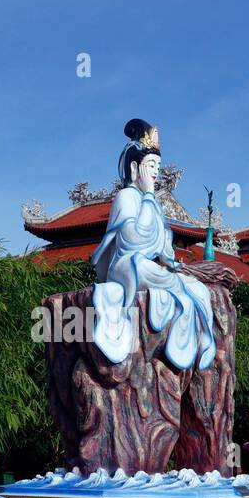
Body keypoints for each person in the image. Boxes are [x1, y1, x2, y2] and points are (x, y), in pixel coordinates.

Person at [90, 119, 217, 371]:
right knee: (162, 277)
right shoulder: (126, 196)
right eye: (151, 165)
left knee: (199, 288)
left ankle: (203, 341)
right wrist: (148, 194)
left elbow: (164, 247)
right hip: (128, 265)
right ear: (136, 167)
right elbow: (132, 240)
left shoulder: (154, 204)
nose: (156, 172)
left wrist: (171, 262)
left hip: (150, 267)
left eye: (158, 166)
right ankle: (181, 336)